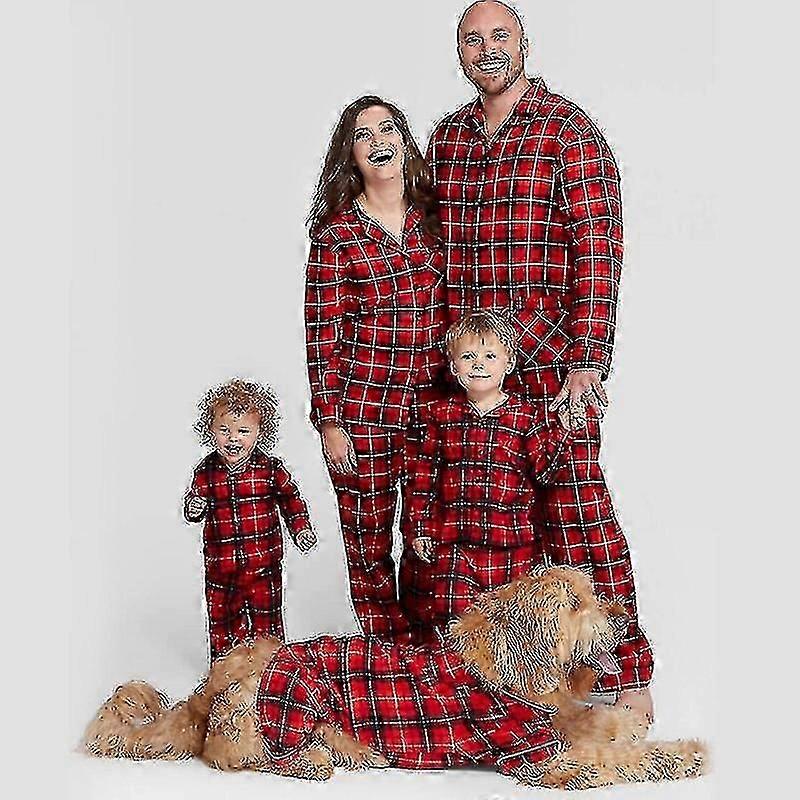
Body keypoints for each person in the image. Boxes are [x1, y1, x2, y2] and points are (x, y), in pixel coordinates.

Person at [425, 0, 653, 718]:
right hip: (470, 373)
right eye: (472, 39)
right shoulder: (448, 139)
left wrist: (588, 362)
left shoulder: (569, 132)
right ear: (459, 53)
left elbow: (598, 252)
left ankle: (626, 673)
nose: (486, 49)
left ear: (524, 43)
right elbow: (433, 251)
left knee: (579, 517)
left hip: (551, 369)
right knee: (485, 527)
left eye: (500, 36)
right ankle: (509, 681)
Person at [304, 96, 447, 640]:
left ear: (405, 142)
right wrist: (330, 421)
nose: (378, 142)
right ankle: (387, 650)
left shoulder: (435, 219)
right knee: (368, 540)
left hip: (433, 404)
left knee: (428, 531)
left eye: (388, 130)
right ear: (351, 154)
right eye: (364, 135)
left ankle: (429, 644)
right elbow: (322, 335)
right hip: (363, 412)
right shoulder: (337, 236)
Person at [405, 311, 575, 632]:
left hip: (513, 543)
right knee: (456, 622)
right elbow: (424, 478)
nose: (478, 365)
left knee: (512, 626)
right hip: (456, 542)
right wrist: (421, 528)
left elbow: (545, 472)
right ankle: (455, 665)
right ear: (454, 366)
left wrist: (564, 431)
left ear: (508, 363)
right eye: (468, 357)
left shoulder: (525, 416)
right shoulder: (441, 415)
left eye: (489, 356)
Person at [184, 378, 316, 660]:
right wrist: (194, 507)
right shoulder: (207, 471)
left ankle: (273, 668)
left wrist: (301, 530)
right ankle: (224, 670)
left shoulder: (269, 470)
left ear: (259, 433)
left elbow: (292, 502)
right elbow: (194, 503)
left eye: (243, 431)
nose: (233, 439)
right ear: (211, 431)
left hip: (263, 566)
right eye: (224, 430)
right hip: (221, 568)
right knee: (222, 623)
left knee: (267, 623)